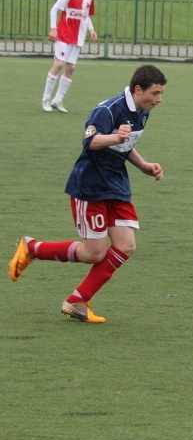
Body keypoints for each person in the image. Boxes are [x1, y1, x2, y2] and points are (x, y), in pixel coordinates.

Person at [10, 64, 167, 323]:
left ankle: (76, 301)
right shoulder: (108, 109)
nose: (159, 99)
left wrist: (144, 166)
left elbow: (125, 146)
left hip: (117, 187)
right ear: (138, 89)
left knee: (126, 246)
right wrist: (114, 138)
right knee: (93, 253)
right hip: (91, 186)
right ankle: (32, 248)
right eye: (156, 93)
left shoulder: (141, 111)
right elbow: (90, 141)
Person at [42, 0, 98, 113]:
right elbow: (54, 9)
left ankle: (58, 100)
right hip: (64, 35)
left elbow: (86, 16)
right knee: (59, 64)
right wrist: (53, 28)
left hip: (77, 37)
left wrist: (91, 30)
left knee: (71, 68)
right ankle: (46, 98)